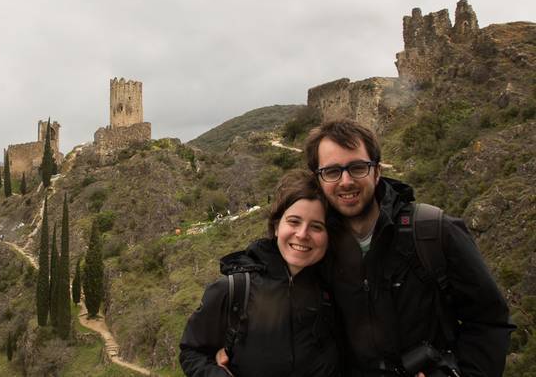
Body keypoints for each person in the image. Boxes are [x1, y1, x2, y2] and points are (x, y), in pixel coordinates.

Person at [303, 119, 512, 377]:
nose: (345, 181)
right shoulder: (315, 248)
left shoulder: (434, 232)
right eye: (332, 171)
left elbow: (490, 321)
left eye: (358, 167)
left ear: (377, 171)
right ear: (318, 179)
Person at [180, 169, 339, 377]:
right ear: (275, 226)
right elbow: (192, 352)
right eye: (293, 222)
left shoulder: (334, 291)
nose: (302, 234)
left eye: (316, 226)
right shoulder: (236, 288)